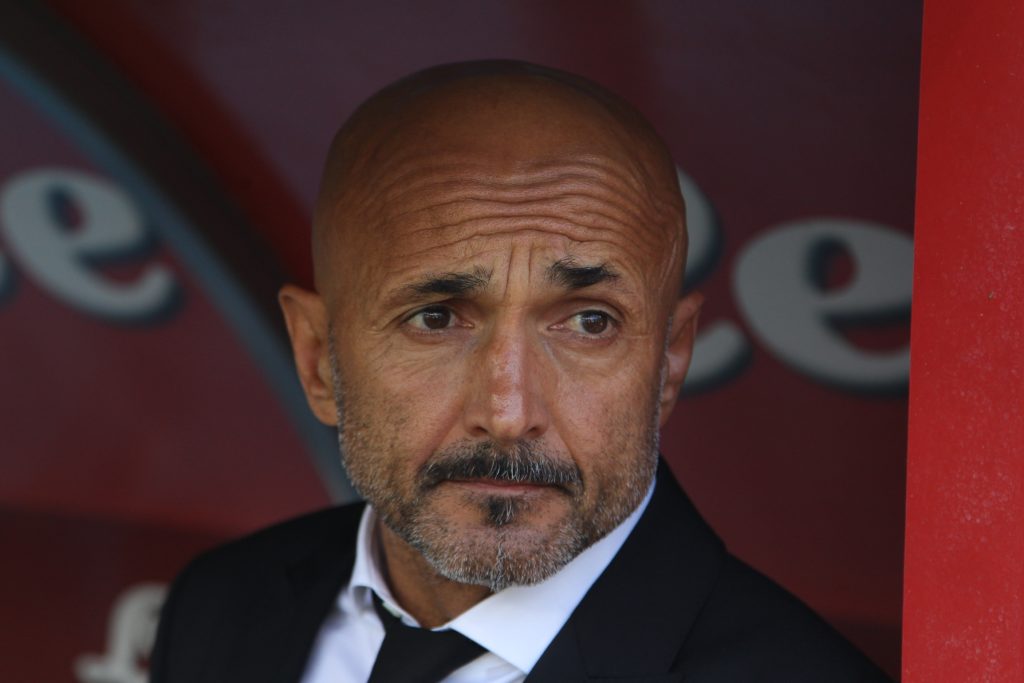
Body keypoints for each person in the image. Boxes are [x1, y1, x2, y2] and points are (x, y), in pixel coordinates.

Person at [150, 60, 890, 683]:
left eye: (589, 322)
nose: (508, 411)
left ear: (669, 363)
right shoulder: (223, 604)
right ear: (318, 358)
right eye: (435, 318)